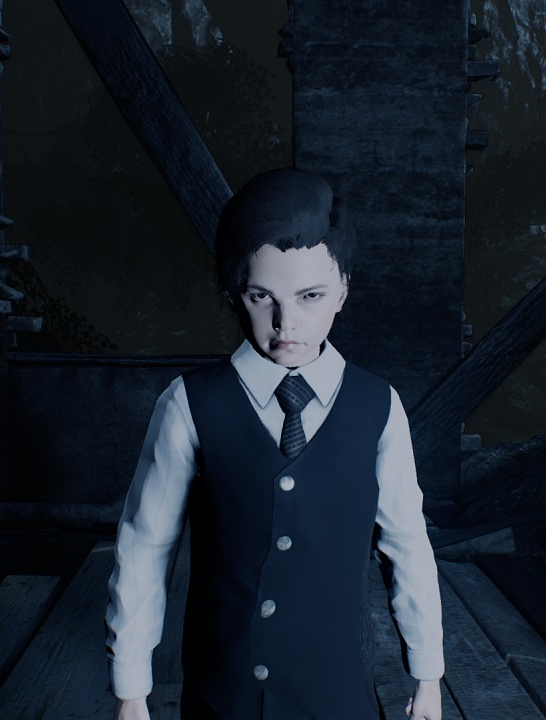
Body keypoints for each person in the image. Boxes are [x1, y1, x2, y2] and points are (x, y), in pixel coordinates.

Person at [106, 168, 445, 720]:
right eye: (261, 296)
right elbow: (146, 546)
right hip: (222, 698)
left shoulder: (379, 406)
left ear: (343, 290)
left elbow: (406, 543)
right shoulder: (189, 403)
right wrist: (130, 690)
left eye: (310, 296)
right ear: (234, 293)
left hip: (338, 700)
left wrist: (428, 673)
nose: (286, 322)